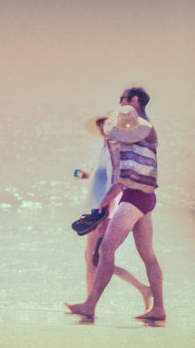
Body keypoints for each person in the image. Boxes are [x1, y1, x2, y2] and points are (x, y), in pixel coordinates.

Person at [66, 87, 165, 320]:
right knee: (148, 255)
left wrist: (109, 203)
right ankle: (159, 307)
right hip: (144, 196)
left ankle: (90, 304)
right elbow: (127, 170)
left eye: (123, 98)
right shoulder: (140, 128)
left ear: (135, 100)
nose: (120, 102)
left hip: (136, 197)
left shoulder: (142, 127)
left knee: (105, 249)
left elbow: (127, 161)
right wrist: (110, 195)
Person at [75, 115, 151, 309]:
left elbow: (115, 184)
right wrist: (84, 175)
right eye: (100, 128)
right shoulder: (104, 150)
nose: (102, 130)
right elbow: (98, 176)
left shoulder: (113, 152)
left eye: (105, 127)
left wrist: (108, 215)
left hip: (101, 210)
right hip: (96, 208)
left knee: (95, 258)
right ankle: (141, 288)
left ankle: (89, 304)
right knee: (93, 258)